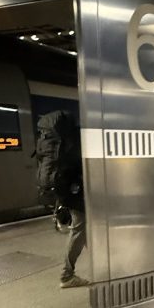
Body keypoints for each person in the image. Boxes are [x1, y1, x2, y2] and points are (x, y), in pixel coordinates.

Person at [56, 115, 88, 289]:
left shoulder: (64, 142)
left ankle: (104, 266)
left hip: (70, 194)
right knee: (79, 231)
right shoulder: (76, 141)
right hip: (77, 195)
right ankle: (66, 275)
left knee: (86, 230)